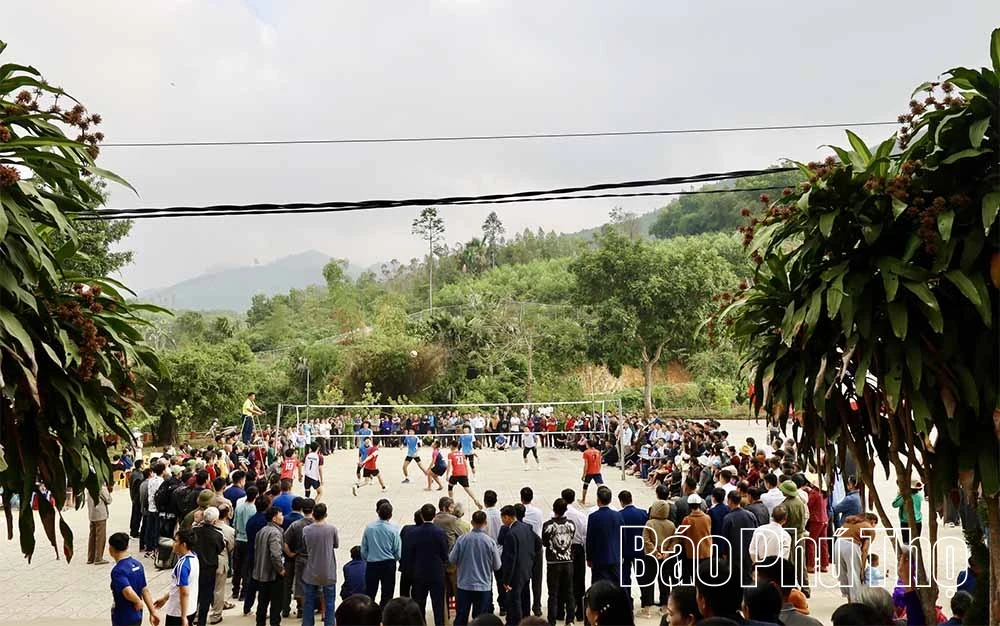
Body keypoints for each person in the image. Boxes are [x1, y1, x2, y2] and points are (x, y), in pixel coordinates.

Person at [451, 510, 502, 626]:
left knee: (461, 617)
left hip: (464, 585)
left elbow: (452, 559)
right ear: (485, 523)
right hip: (483, 587)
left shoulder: (462, 540)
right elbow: (497, 566)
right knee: (481, 620)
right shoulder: (490, 542)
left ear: (472, 522)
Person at [405, 503, 449, 626]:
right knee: (438, 605)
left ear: (422, 516)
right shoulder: (440, 532)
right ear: (434, 516)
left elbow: (410, 554)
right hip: (437, 573)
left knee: (419, 605)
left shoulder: (413, 533)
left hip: (419, 573)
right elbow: (444, 553)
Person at [499, 504, 538, 626]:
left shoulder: (511, 534)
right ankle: (527, 621)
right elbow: (538, 544)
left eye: (502, 518)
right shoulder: (527, 527)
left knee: (515, 602)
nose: (502, 521)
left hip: (516, 574)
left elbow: (510, 559)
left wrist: (506, 580)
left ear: (507, 517)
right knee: (525, 598)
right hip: (526, 570)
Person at [302, 503, 339, 626]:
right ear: (325, 514)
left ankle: (307, 624)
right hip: (328, 571)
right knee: (330, 603)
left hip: (311, 571)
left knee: (308, 602)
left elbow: (305, 546)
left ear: (313, 514)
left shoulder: (306, 530)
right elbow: (336, 545)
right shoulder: (332, 529)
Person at [109, 532, 158, 626]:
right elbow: (145, 590)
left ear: (111, 549)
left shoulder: (118, 570)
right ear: (127, 547)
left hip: (123, 617)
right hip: (137, 615)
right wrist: (153, 611)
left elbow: (127, 591)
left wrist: (138, 601)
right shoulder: (138, 564)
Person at [154, 528, 200, 626]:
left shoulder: (182, 565)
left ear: (183, 545)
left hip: (177, 612)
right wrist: (165, 598)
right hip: (191, 608)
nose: (173, 544)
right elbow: (179, 586)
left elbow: (184, 592)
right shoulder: (194, 558)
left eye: (176, 541)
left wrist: (183, 617)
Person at [541, 498, 576, 626]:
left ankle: (552, 621)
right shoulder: (571, 524)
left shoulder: (547, 525)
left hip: (553, 563)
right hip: (568, 562)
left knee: (553, 593)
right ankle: (570, 619)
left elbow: (545, 542)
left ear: (553, 509)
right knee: (569, 591)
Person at [360, 500, 401, 606]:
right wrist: (394, 559)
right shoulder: (393, 530)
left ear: (378, 513)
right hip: (388, 564)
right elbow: (397, 550)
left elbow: (364, 549)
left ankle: (370, 613)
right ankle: (384, 613)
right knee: (387, 594)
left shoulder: (369, 528)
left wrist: (368, 558)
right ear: (391, 515)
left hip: (372, 564)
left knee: (370, 593)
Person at [253, 506, 287, 626]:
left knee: (262, 603)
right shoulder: (275, 533)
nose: (282, 517)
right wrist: (281, 570)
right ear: (274, 518)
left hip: (261, 573)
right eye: (280, 514)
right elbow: (275, 554)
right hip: (273, 575)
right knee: (276, 604)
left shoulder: (261, 531)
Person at [193, 506, 226, 626]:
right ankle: (201, 621)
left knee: (195, 594)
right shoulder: (217, 534)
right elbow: (220, 548)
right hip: (209, 569)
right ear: (214, 521)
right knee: (205, 597)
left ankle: (193, 617)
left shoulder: (194, 531)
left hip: (196, 566)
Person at [283, 498, 315, 618]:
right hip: (313, 559)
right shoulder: (317, 525)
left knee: (299, 585)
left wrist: (289, 553)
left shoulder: (296, 525)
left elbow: (284, 541)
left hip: (298, 558)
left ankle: (299, 608)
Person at [559, 489, 588, 624]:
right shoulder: (580, 515)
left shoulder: (557, 514)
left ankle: (560, 611)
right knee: (578, 580)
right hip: (577, 549)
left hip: (563, 548)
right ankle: (580, 612)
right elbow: (584, 536)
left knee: (562, 580)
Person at [643, 499, 676, 614]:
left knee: (649, 580)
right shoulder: (671, 524)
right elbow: (674, 540)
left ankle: (647, 607)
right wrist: (668, 552)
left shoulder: (650, 523)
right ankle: (664, 605)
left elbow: (646, 540)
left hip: (651, 556)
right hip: (665, 557)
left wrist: (655, 552)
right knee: (664, 580)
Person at [834, 513, 876, 603]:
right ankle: (856, 601)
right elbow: (865, 550)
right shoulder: (870, 528)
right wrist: (862, 569)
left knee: (842, 573)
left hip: (838, 543)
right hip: (851, 546)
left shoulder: (851, 521)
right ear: (873, 522)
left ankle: (848, 598)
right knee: (854, 574)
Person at [585, 486, 623, 584]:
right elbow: (623, 536)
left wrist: (589, 557)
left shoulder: (593, 517)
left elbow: (590, 539)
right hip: (615, 556)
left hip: (598, 558)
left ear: (598, 500)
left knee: (598, 585)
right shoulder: (618, 515)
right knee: (616, 584)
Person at [721, 489, 758, 586]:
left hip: (734, 555)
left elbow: (725, 539)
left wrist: (724, 554)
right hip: (749, 553)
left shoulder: (728, 518)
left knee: (735, 581)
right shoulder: (751, 515)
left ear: (729, 501)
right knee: (748, 579)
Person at [519, 487, 545, 618]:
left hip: (524, 548)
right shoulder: (538, 512)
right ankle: (537, 606)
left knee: (524, 578)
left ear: (521, 498)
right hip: (537, 547)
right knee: (537, 578)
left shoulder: (518, 511)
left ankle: (525, 606)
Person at [677, 494, 711, 584]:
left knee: (694, 577)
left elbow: (681, 535)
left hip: (693, 553)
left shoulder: (687, 520)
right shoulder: (707, 518)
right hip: (706, 552)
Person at [233, 485, 259, 601]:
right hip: (248, 540)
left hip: (239, 538)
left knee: (237, 567)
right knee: (247, 568)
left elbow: (234, 522)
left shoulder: (239, 507)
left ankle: (235, 590)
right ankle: (243, 592)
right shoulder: (254, 509)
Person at [447, 439, 484, 509]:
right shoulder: (462, 454)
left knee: (450, 486)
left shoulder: (450, 454)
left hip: (455, 474)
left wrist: (447, 475)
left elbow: (449, 466)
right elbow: (466, 465)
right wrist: (466, 474)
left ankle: (451, 503)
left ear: (451, 446)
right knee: (467, 488)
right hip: (463, 473)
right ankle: (475, 500)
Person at [87, 479, 113, 565]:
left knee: (92, 536)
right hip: (100, 515)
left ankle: (90, 557)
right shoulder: (101, 488)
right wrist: (109, 492)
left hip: (92, 514)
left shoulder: (90, 487)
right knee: (100, 537)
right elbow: (108, 500)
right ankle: (98, 558)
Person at [891, 478, 923, 545]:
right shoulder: (919, 495)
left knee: (906, 543)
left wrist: (901, 495)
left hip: (905, 522)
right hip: (918, 521)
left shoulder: (905, 497)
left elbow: (895, 504)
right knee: (915, 542)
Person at [579, 440, 603, 506]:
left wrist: (584, 474)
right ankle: (602, 500)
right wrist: (598, 469)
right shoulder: (598, 452)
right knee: (600, 487)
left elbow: (586, 465)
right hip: (597, 471)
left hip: (589, 472)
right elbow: (599, 463)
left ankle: (583, 500)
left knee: (585, 485)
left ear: (588, 445)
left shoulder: (586, 452)